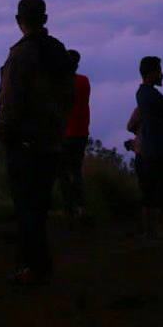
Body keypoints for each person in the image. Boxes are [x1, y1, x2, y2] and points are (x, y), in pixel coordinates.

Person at [0, 0, 73, 284]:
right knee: (39, 206)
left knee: (26, 206)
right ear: (45, 19)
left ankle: (27, 267)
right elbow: (68, 97)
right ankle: (40, 264)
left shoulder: (22, 54)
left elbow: (11, 100)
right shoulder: (57, 51)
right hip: (52, 139)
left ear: (19, 21)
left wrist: (4, 134)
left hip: (25, 142)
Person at [127, 56, 163, 237]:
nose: (162, 75)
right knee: (156, 191)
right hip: (153, 152)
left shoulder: (146, 94)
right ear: (152, 73)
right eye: (159, 71)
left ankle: (152, 230)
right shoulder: (148, 95)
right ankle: (156, 230)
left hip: (149, 151)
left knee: (152, 191)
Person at [58, 48, 90, 217]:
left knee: (62, 172)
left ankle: (68, 206)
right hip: (81, 132)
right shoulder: (84, 81)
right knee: (76, 170)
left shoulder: (59, 83)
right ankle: (81, 205)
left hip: (65, 133)